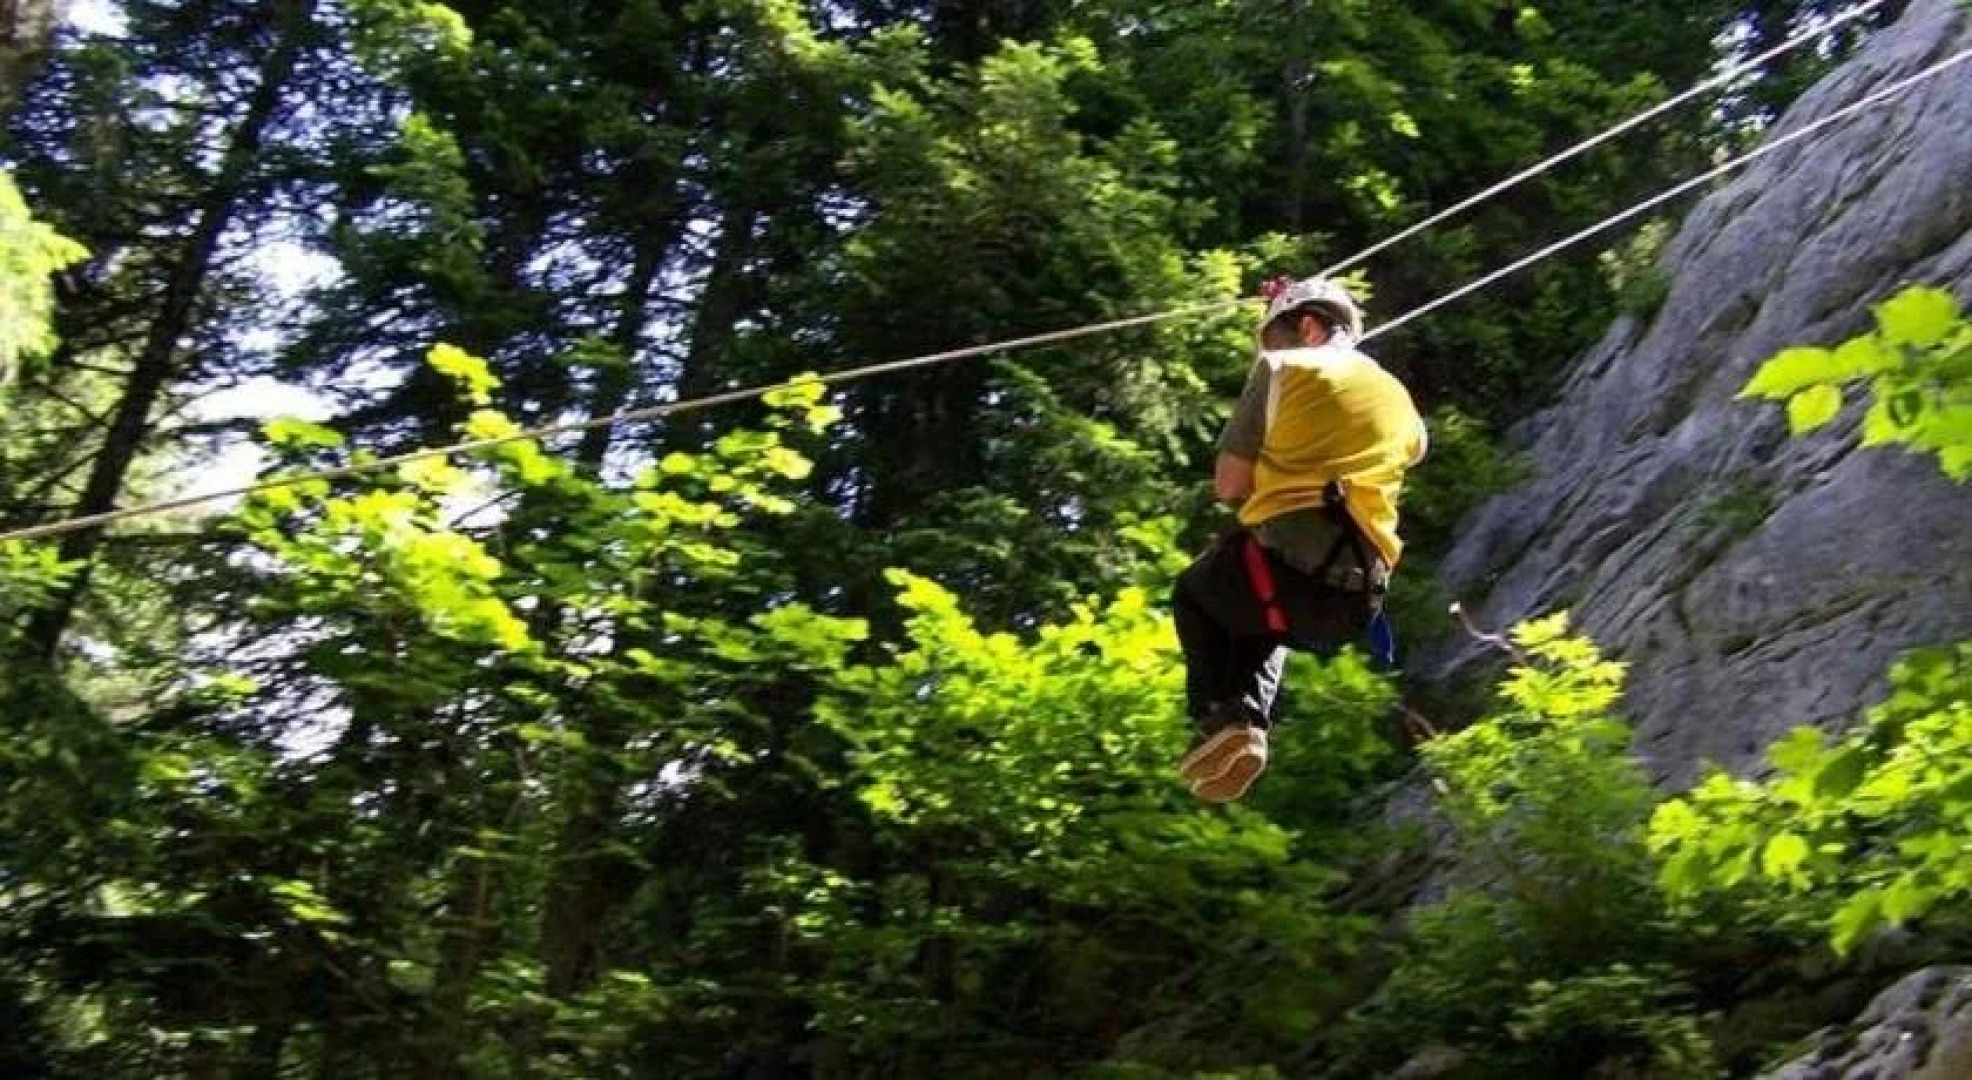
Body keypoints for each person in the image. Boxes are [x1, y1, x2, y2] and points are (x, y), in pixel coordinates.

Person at [1173, 276, 1426, 803]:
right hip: (1357, 599)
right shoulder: (1404, 405)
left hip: (1290, 566)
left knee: (1199, 592)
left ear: (1308, 326)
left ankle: (1218, 717)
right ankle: (1246, 728)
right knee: (1259, 616)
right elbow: (1407, 450)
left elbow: (1229, 486)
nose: (1266, 352)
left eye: (1273, 336)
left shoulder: (1282, 369)